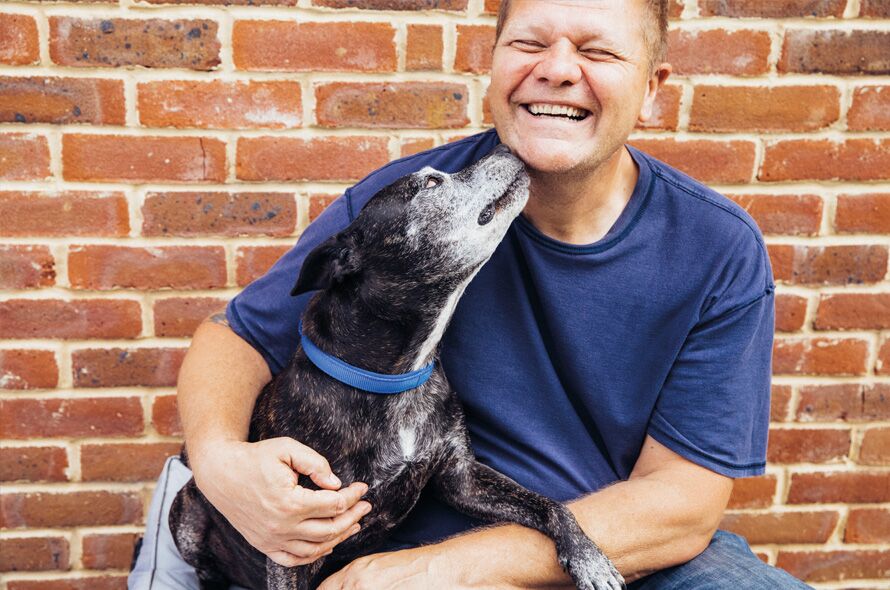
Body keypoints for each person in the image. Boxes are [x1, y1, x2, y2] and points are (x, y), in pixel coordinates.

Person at [130, 1, 813, 588]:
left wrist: (451, 569)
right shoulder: (404, 207)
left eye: (598, 50)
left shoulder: (717, 248)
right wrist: (222, 466)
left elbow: (683, 506)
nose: (558, 68)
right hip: (393, 539)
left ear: (654, 85)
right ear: (491, 63)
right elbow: (236, 337)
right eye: (529, 42)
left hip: (604, 548)